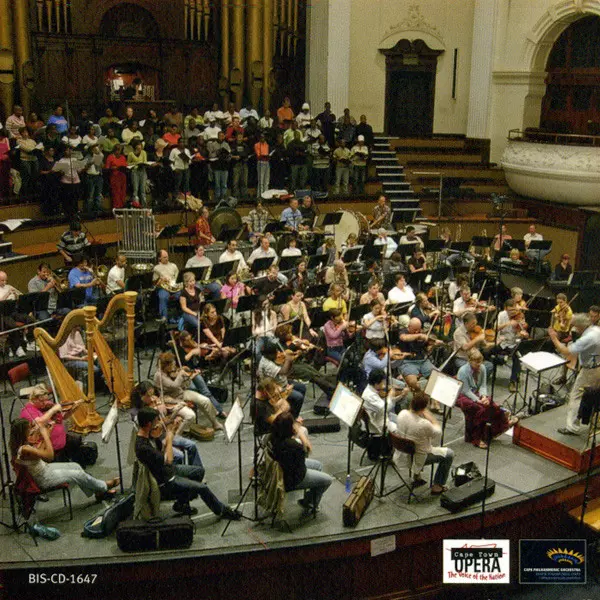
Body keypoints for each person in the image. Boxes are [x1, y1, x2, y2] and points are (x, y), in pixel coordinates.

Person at [135, 407, 240, 518]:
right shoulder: (143, 447)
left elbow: (162, 451)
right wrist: (169, 439)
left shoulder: (149, 435)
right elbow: (169, 460)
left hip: (168, 470)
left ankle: (182, 502)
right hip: (166, 480)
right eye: (156, 421)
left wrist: (172, 430)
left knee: (199, 471)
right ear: (148, 424)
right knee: (202, 488)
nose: (158, 424)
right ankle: (222, 511)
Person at [11, 413, 119, 502]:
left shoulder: (22, 445)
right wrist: (45, 435)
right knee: (78, 474)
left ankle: (98, 491)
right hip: (43, 478)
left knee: (76, 466)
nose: (32, 431)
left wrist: (47, 434)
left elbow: (39, 451)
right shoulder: (25, 449)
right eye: (29, 430)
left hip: (45, 469)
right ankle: (104, 486)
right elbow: (49, 456)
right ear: (23, 433)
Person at [270, 412, 333, 512]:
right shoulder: (294, 446)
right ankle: (309, 502)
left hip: (286, 467)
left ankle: (310, 498)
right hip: (295, 477)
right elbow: (307, 452)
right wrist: (299, 432)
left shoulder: (273, 438)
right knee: (328, 480)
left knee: (318, 466)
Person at [549, 313, 600, 436]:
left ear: (579, 326)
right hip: (598, 365)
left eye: (575, 327)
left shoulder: (587, 338)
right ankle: (596, 422)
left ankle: (572, 427)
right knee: (595, 395)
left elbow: (566, 351)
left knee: (576, 396)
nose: (574, 329)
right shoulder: (596, 329)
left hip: (590, 371)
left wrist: (554, 338)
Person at [456, 349, 517, 449]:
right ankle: (476, 438)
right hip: (463, 395)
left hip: (477, 393)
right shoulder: (463, 371)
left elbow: (483, 385)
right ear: (470, 361)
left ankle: (498, 428)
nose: (479, 364)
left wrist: (484, 396)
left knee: (492, 405)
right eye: (476, 362)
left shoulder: (482, 368)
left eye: (480, 361)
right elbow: (466, 390)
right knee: (480, 409)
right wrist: (478, 400)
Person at [396, 392, 454, 494]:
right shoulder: (424, 424)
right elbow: (438, 433)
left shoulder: (402, 413)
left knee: (419, 441)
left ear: (411, 403)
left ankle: (417, 476)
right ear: (423, 408)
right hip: (418, 456)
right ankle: (437, 486)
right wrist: (431, 417)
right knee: (449, 454)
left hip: (403, 452)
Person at [130, 381, 202, 464]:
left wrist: (175, 415)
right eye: (148, 396)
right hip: (154, 440)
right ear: (141, 395)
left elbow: (164, 420)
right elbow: (149, 430)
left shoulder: (154, 403)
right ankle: (174, 470)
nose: (153, 399)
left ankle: (195, 470)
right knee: (179, 455)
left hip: (163, 433)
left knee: (192, 445)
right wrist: (162, 422)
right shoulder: (136, 412)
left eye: (153, 395)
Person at [154, 351, 221, 432]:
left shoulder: (171, 371)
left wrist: (188, 377)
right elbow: (174, 385)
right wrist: (180, 374)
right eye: (172, 365)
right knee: (191, 415)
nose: (174, 367)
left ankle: (215, 423)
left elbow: (183, 385)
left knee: (205, 401)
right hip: (171, 399)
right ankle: (178, 434)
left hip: (181, 393)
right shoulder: (159, 375)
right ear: (166, 366)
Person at [20, 385, 83, 462]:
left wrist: (73, 409)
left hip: (61, 443)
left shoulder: (47, 404)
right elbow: (39, 422)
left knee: (77, 444)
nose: (45, 403)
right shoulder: (27, 411)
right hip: (50, 449)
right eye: (41, 401)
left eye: (46, 400)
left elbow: (63, 417)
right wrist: (53, 410)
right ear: (33, 399)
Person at [257, 341, 305, 417]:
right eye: (275, 352)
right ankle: (292, 418)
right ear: (269, 355)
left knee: (302, 387)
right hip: (274, 389)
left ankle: (292, 411)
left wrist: (293, 359)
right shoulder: (266, 364)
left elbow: (286, 373)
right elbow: (283, 371)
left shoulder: (270, 358)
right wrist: (288, 360)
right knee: (299, 397)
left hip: (281, 382)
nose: (278, 354)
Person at [398, 318, 443, 392]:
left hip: (423, 361)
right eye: (414, 330)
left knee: (437, 378)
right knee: (413, 382)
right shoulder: (403, 331)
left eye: (418, 330)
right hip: (408, 362)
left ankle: (430, 395)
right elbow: (404, 338)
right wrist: (419, 335)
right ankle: (419, 394)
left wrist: (433, 345)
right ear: (409, 326)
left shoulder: (422, 333)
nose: (416, 331)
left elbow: (427, 349)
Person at [497, 298, 529, 392]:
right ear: (505, 309)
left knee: (517, 357)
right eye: (510, 310)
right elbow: (496, 328)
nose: (513, 312)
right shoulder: (501, 315)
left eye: (514, 310)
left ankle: (513, 381)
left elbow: (520, 332)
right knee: (487, 350)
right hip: (502, 341)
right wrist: (508, 323)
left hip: (513, 342)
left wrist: (522, 334)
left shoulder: (520, 315)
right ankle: (498, 360)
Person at [453, 312, 494, 376]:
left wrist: (496, 342)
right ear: (466, 323)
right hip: (463, 359)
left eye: (475, 323)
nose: (475, 326)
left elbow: (485, 346)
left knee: (489, 366)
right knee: (473, 369)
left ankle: (476, 380)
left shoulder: (476, 331)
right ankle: (472, 379)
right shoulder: (458, 333)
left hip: (475, 360)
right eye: (473, 324)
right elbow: (465, 347)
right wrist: (477, 339)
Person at [153, 249, 179, 320]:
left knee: (183, 294)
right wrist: (160, 281)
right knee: (163, 297)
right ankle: (164, 317)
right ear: (159, 258)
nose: (167, 258)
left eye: (167, 257)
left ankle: (180, 316)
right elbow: (155, 283)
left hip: (174, 287)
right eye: (164, 257)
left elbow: (178, 278)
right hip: (163, 288)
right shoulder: (156, 268)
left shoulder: (173, 266)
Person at [207, 131, 231, 202]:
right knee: (217, 184)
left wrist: (226, 156)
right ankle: (217, 199)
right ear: (218, 136)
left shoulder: (226, 144)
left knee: (224, 184)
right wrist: (217, 152)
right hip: (216, 166)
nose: (221, 137)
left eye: (223, 136)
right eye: (220, 136)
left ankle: (224, 199)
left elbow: (229, 154)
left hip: (224, 166)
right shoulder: (213, 144)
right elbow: (210, 155)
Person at [105, 144, 128, 208]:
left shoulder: (123, 157)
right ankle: (117, 208)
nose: (118, 152)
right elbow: (107, 168)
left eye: (119, 150)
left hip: (122, 176)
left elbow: (125, 165)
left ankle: (122, 206)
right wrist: (113, 168)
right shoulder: (110, 157)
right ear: (114, 150)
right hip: (114, 176)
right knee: (116, 192)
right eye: (117, 150)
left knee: (123, 192)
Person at [84, 143, 104, 213]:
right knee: (90, 196)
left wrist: (99, 160)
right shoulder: (87, 157)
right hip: (90, 176)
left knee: (98, 195)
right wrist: (91, 163)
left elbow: (102, 166)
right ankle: (88, 212)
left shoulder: (99, 156)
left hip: (98, 176)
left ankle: (97, 210)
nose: (95, 149)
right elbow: (84, 168)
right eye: (94, 148)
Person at [254, 132, 270, 198]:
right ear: (259, 138)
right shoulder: (257, 145)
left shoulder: (267, 144)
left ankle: (266, 196)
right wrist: (265, 156)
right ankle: (260, 196)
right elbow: (258, 155)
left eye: (263, 137)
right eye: (261, 137)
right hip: (261, 162)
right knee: (261, 181)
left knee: (266, 180)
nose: (262, 138)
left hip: (267, 162)